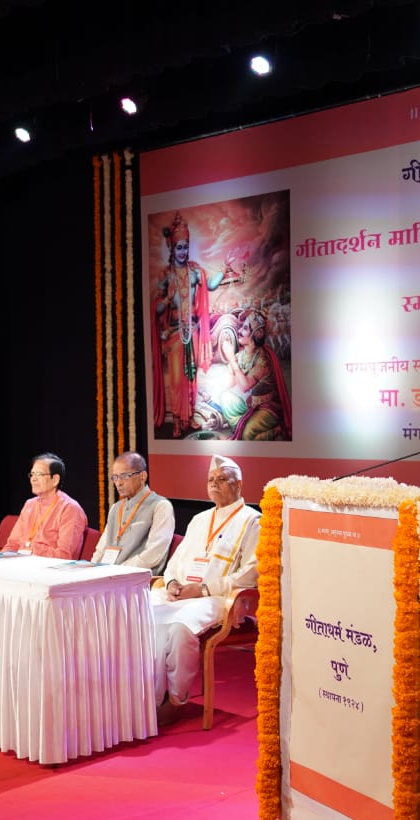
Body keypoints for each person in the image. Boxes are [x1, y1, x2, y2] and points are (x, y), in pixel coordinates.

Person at [151, 454, 260, 724]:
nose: (214, 483)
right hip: (182, 593)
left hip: (219, 598)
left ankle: (175, 699)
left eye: (222, 479)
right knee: (144, 616)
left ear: (238, 485)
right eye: (211, 479)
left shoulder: (253, 521)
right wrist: (172, 582)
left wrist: (201, 589)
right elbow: (175, 561)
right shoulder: (199, 519)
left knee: (180, 629)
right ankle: (149, 696)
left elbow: (251, 573)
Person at [152, 213, 213, 438]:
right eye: (179, 247)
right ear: (172, 248)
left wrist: (224, 272)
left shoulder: (195, 271)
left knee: (191, 376)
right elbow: (157, 308)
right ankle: (177, 420)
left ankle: (190, 418)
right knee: (178, 379)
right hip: (175, 333)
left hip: (192, 331)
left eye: (186, 247)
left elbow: (210, 285)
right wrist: (167, 299)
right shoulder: (166, 275)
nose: (183, 252)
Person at [91, 451, 175, 573]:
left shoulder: (160, 506)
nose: (118, 483)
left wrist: (119, 570)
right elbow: (101, 548)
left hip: (134, 577)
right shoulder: (116, 507)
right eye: (115, 477)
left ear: (142, 476)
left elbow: (153, 554)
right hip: (107, 573)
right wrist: (91, 570)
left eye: (124, 476)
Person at [214, 308, 291, 440]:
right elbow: (229, 384)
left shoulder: (263, 360)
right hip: (250, 404)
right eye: (241, 327)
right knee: (225, 398)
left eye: (244, 328)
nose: (239, 331)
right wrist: (231, 362)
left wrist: (232, 360)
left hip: (267, 407)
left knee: (247, 435)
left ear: (256, 334)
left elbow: (245, 386)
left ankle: (276, 431)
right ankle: (241, 425)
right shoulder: (241, 355)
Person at [3, 453, 87, 558]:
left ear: (55, 480)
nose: (33, 479)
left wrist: (32, 549)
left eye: (39, 474)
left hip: (50, 567)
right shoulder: (30, 504)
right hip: (21, 563)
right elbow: (12, 544)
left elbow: (65, 555)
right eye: (32, 474)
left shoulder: (70, 509)